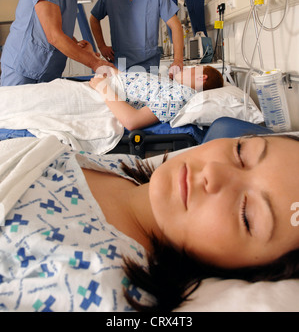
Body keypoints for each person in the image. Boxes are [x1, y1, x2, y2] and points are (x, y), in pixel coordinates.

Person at [1, 132, 299, 312]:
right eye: (241, 152)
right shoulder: (119, 170)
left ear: (247, 271)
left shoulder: (98, 290)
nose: (215, 173)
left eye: (248, 216)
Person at [89, 65, 224, 130]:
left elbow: (132, 121)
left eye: (194, 67)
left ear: (202, 77)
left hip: (101, 94)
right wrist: (114, 73)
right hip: (105, 84)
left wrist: (103, 87)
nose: (187, 69)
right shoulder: (173, 86)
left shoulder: (180, 95)